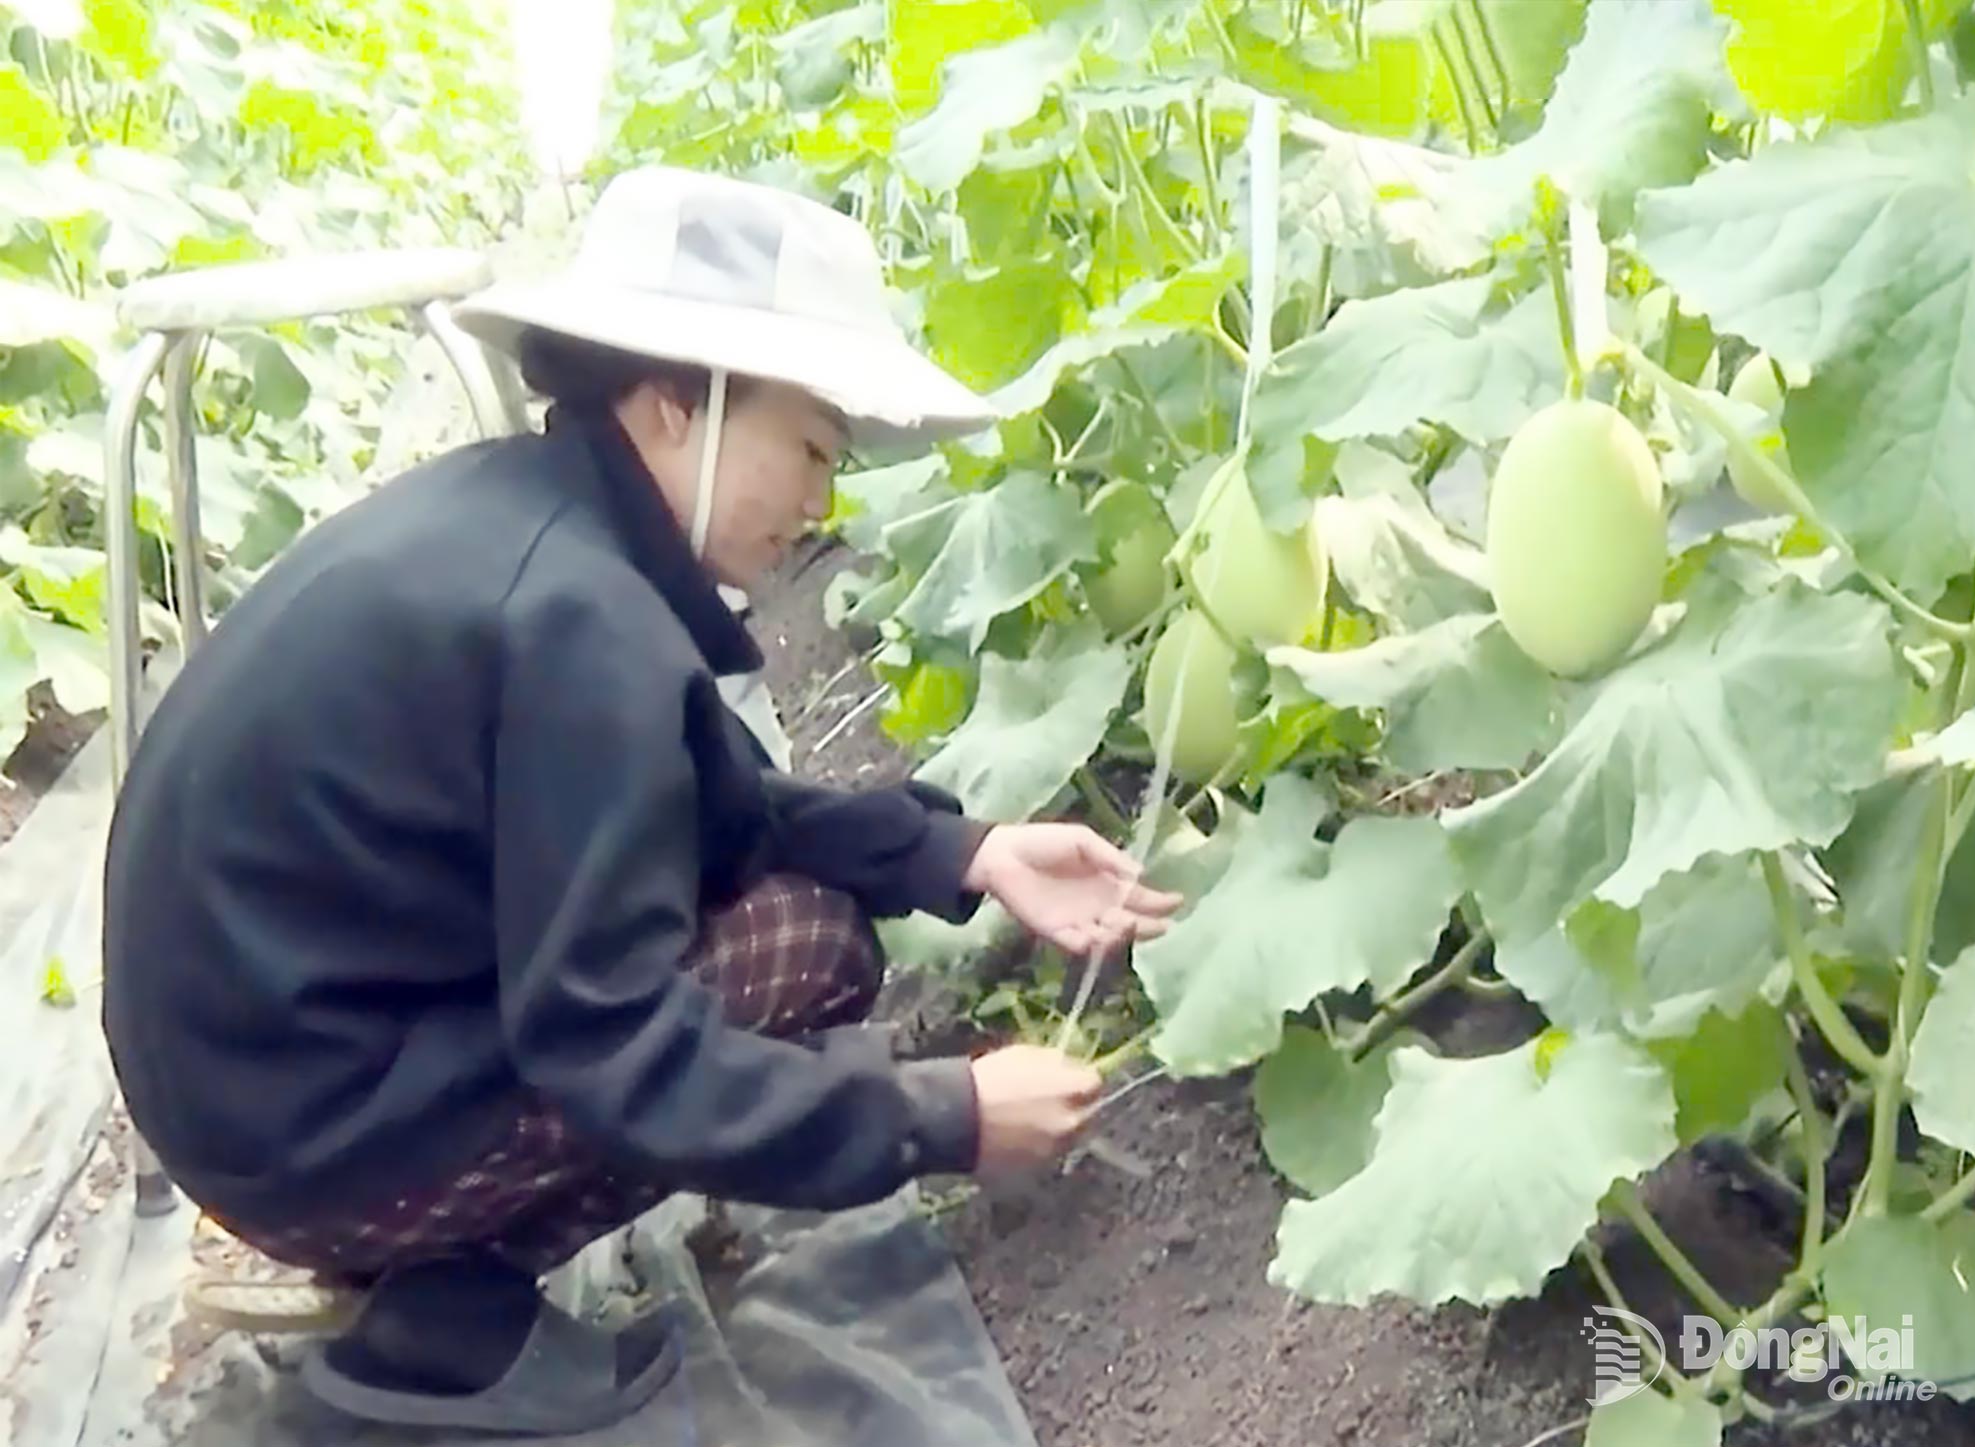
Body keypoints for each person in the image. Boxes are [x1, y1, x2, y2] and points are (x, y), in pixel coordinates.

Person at [99, 166, 1181, 1435]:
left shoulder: (530, 520)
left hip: (257, 1065)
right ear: (677, 403)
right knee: (802, 959)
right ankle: (446, 1323)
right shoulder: (581, 625)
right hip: (298, 1139)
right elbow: (609, 1047)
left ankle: (426, 1262)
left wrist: (968, 850)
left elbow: (721, 810)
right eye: (810, 450)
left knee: (799, 919)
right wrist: (942, 1117)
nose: (820, 502)